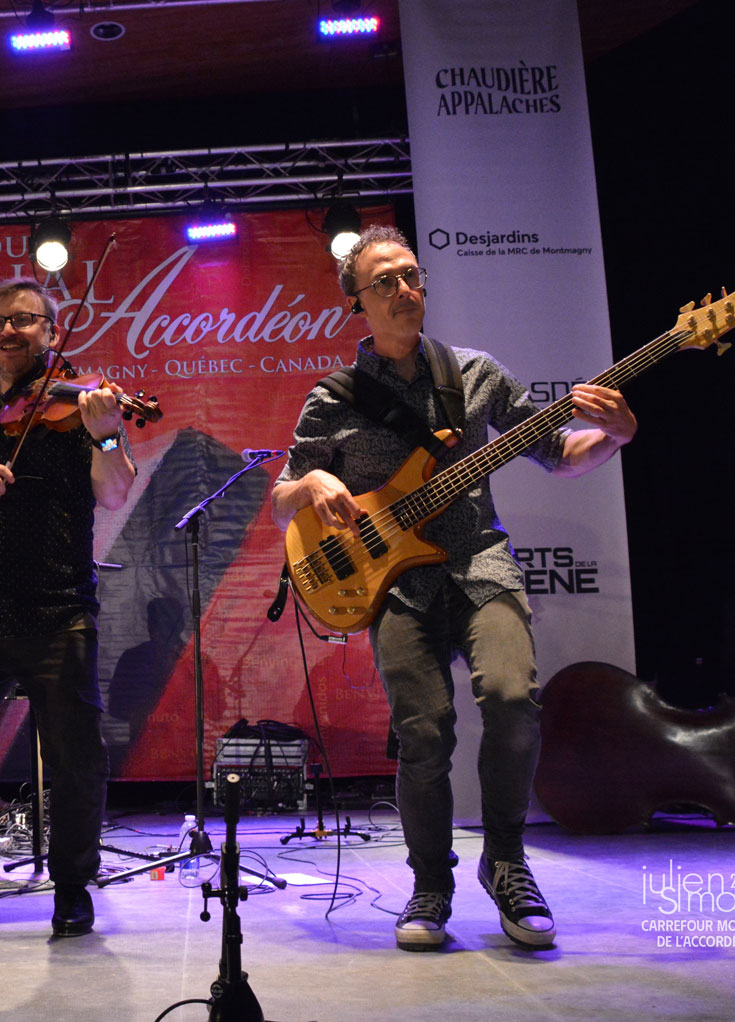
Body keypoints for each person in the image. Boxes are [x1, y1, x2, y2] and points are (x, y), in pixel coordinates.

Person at [270, 226, 637, 952]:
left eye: (412, 276)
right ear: (356, 303)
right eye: (386, 283)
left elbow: (559, 456)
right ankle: (430, 883)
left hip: (479, 561)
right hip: (396, 585)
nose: (405, 291)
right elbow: (282, 496)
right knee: (423, 733)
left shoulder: (474, 374)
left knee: (509, 698)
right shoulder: (334, 397)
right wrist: (313, 481)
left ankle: (506, 864)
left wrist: (619, 434)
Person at [0, 277, 136, 937]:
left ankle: (72, 890)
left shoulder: (79, 409)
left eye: (26, 321)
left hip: (59, 608)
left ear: (50, 332)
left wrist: (108, 435)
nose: (11, 331)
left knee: (75, 756)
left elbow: (115, 493)